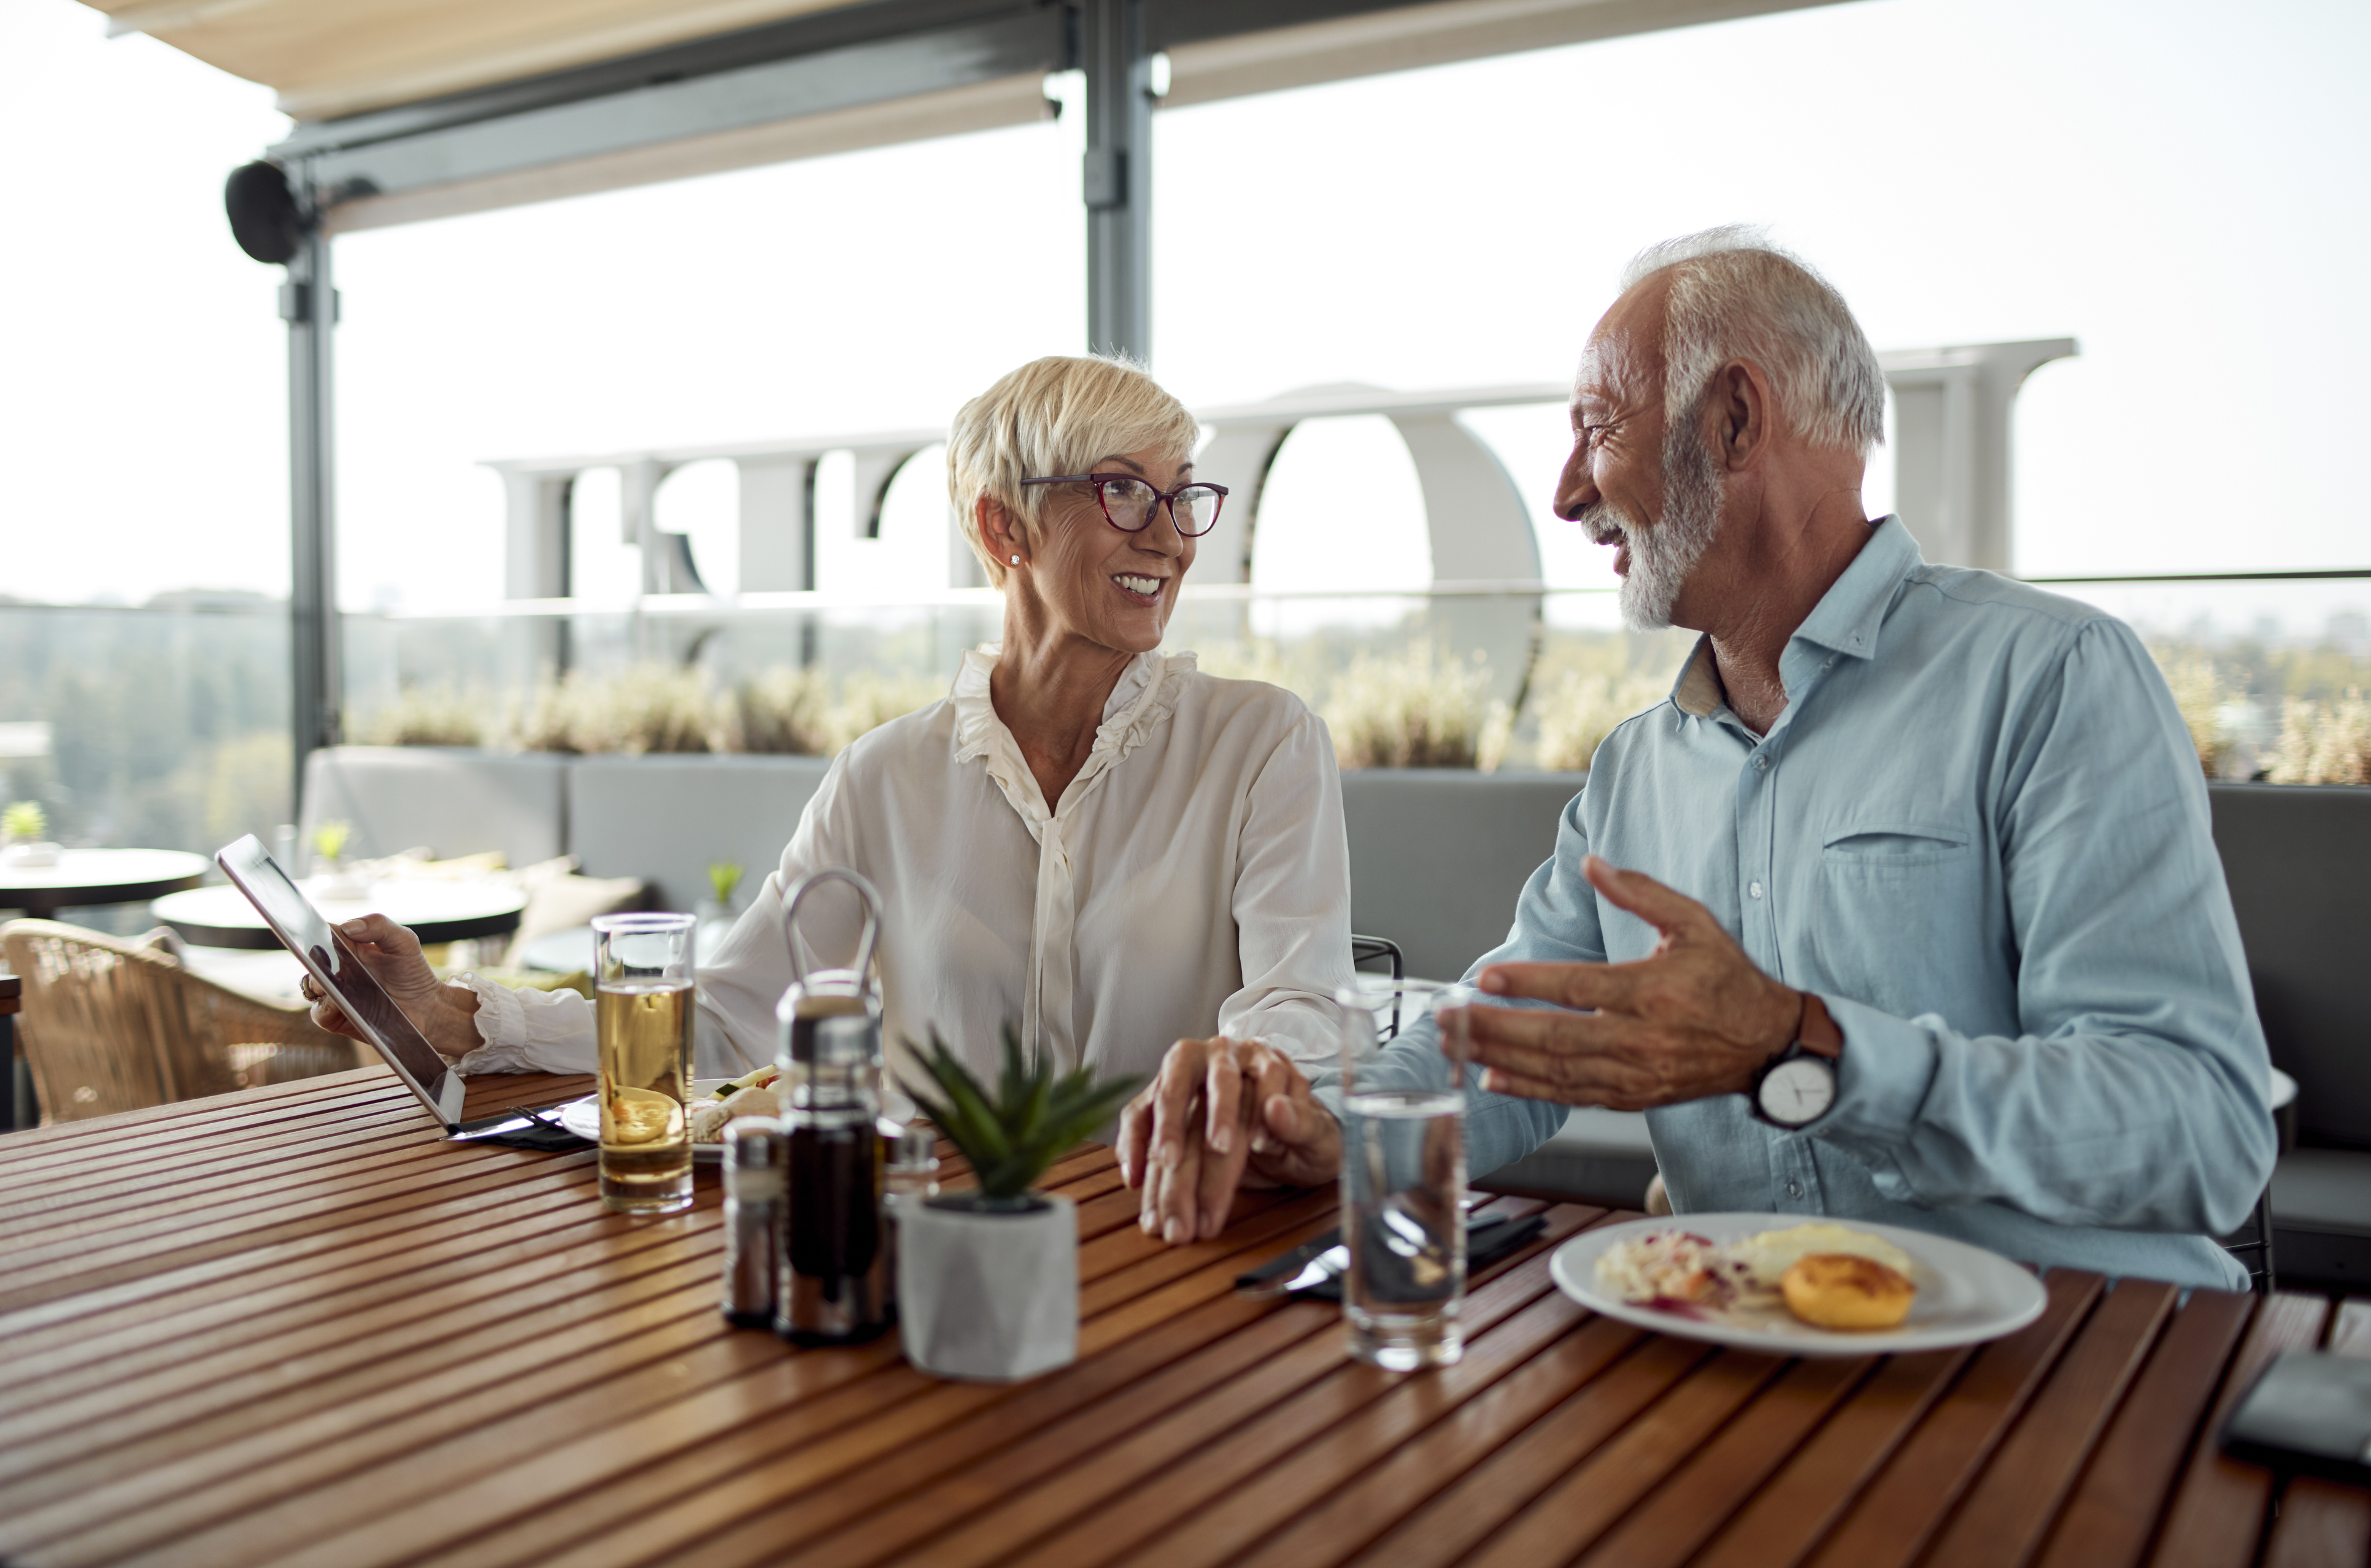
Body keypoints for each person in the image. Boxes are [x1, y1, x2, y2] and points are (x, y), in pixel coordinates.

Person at [1122, 228, 2275, 1288]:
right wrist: (1332, 1125)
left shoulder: (2052, 678)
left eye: (1598, 428)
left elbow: (2203, 1132)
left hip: (2071, 1365)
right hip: (1741, 1355)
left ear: (1732, 420)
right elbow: (1509, 1039)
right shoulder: (1636, 772)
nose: (1568, 493)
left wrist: (1799, 1046)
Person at [307, 355, 1354, 1102]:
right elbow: (731, 1023)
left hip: (1171, 1242)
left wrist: (1247, 1086)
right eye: (1125, 492)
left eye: (1183, 498)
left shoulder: (1262, 745)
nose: (1171, 539)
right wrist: (453, 1015)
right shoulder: (883, 778)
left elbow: (1300, 1011)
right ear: (1004, 526)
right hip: (936, 1249)